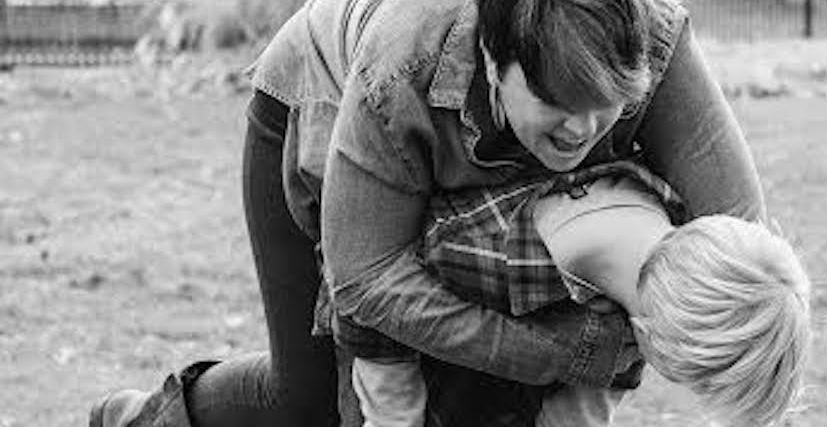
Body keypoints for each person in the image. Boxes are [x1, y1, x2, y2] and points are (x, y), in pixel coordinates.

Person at [89, 0, 768, 425]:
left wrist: (737, 333)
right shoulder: (403, 61)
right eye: (559, 102)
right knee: (314, 402)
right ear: (498, 61)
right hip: (322, 114)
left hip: (494, 186)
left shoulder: (652, 38)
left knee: (486, 397)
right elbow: (366, 278)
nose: (585, 129)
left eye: (610, 106)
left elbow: (737, 234)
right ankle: (145, 418)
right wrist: (549, 353)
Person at [344, 161, 810, 427]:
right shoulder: (486, 251)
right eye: (687, 376)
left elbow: (606, 381)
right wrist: (395, 417)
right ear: (665, 342)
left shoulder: (664, 276)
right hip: (398, 372)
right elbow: (364, 290)